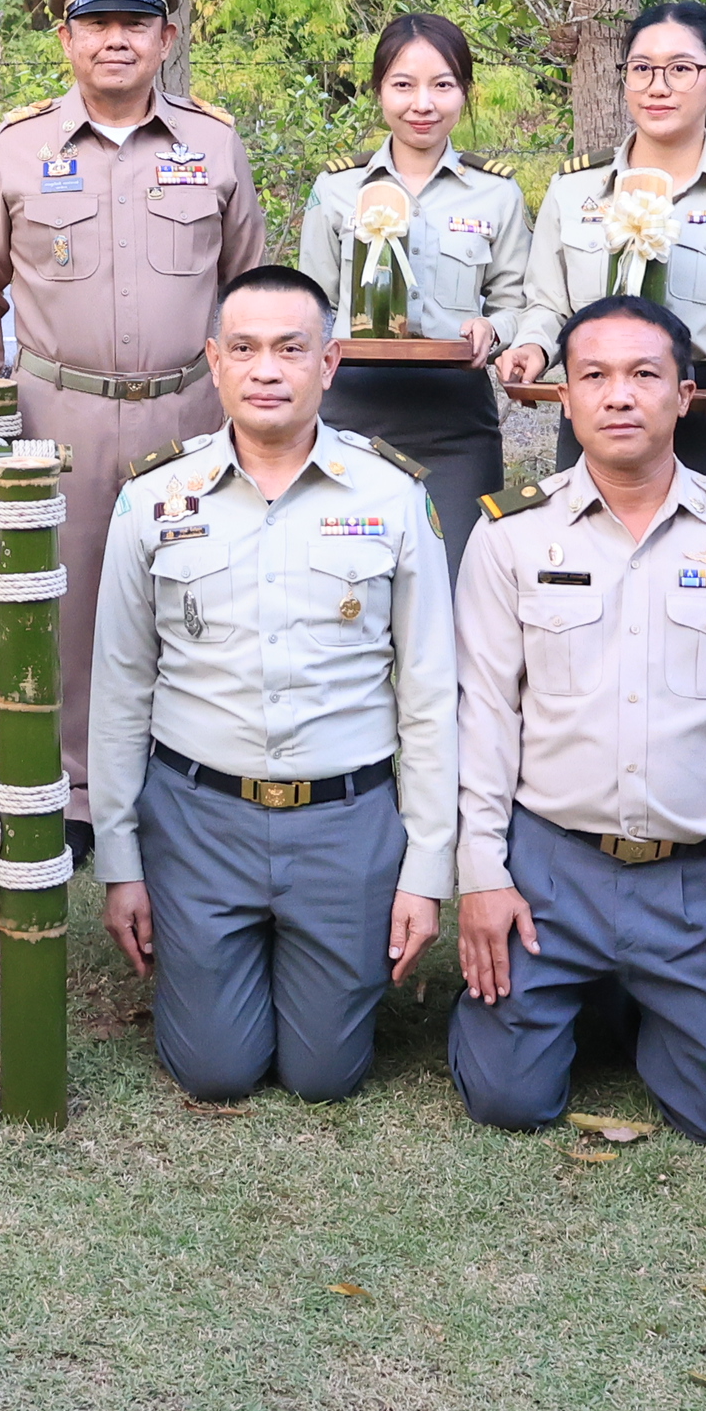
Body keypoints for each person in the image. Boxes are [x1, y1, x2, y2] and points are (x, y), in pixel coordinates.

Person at [449, 292, 706, 1144]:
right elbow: (484, 716)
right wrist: (484, 873)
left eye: (645, 375)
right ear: (565, 398)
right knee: (509, 1102)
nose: (620, 395)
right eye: (596, 376)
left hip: (690, 880)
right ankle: (580, 996)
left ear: (684, 394)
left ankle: (633, 996)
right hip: (547, 868)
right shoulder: (510, 537)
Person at [90, 264, 454, 1102]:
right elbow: (120, 689)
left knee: (325, 1074)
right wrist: (121, 862)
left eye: (291, 349)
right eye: (245, 349)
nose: (266, 370)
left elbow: (430, 695)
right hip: (198, 824)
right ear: (213, 362)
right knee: (216, 1070)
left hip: (344, 822)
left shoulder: (393, 497)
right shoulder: (153, 498)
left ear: (329, 364)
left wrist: (425, 872)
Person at [0, 0, 266, 851]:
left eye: (135, 23)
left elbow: (249, 285)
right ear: (66, 38)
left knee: (199, 592)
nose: (115, 40)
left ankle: (189, 786)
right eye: (96, 24)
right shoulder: (18, 148)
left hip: (192, 415)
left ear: (167, 37)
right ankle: (81, 797)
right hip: (63, 419)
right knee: (76, 603)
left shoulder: (213, 143)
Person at [503, 2, 706, 493]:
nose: (658, 87)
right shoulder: (576, 189)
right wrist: (532, 346)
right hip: (601, 416)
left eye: (681, 69)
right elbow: (548, 304)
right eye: (641, 70)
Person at [294, 11, 527, 576]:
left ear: (464, 93)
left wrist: (494, 330)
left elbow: (519, 301)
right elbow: (312, 306)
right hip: (349, 413)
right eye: (403, 85)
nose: (422, 103)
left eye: (442, 85)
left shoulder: (497, 194)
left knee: (453, 591)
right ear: (378, 91)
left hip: (454, 421)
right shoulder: (337, 188)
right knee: (346, 591)